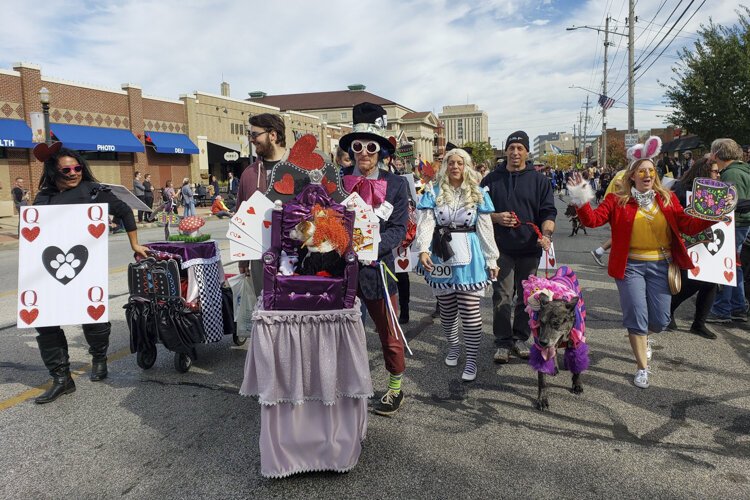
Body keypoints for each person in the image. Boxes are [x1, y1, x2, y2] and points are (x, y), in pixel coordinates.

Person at [568, 136, 712, 389]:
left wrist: (711, 216)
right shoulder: (617, 200)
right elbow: (592, 221)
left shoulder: (667, 198)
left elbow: (687, 225)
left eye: (651, 171)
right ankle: (642, 367)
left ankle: (644, 337)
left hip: (662, 265)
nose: (647, 174)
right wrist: (581, 197)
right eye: (642, 171)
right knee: (636, 316)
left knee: (660, 321)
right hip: (630, 266)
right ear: (632, 176)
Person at [32, 147, 149, 404]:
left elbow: (125, 211)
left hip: (84, 265)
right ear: (54, 171)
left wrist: (134, 244)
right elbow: (34, 230)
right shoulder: (44, 198)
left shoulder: (93, 191)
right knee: (44, 319)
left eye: (77, 168)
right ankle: (62, 379)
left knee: (91, 316)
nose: (74, 173)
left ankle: (99, 357)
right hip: (50, 267)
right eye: (66, 169)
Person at [340, 102, 409, 416]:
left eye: (371, 146)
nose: (364, 152)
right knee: (343, 332)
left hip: (379, 270)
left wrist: (373, 248)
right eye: (358, 146)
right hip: (341, 272)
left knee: (389, 332)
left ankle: (395, 388)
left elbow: (398, 228)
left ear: (380, 150)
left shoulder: (396, 184)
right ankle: (349, 386)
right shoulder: (338, 181)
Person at [415, 148, 499, 381]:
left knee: (470, 312)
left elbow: (485, 228)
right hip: (441, 254)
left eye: (460, 163)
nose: (455, 167)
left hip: (469, 255)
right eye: (451, 162)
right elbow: (426, 223)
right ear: (445, 166)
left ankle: (471, 359)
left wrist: (492, 258)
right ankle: (453, 347)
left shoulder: (478, 193)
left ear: (466, 167)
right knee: (448, 310)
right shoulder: (433, 191)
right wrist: (423, 249)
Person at [481, 130, 556, 364]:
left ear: (526, 151)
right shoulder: (491, 180)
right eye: (511, 148)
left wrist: (546, 235)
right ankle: (503, 342)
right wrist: (496, 218)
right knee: (502, 295)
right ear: (505, 151)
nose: (515, 152)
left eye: (519, 148)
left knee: (527, 298)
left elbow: (548, 212)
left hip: (530, 249)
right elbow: (479, 212)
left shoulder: (539, 181)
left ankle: (520, 338)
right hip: (500, 248)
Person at [237, 113, 290, 296]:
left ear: (273, 135)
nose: (252, 140)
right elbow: (240, 215)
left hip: (295, 256)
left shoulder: (298, 168)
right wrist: (243, 259)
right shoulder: (249, 174)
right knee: (264, 309)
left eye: (255, 135)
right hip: (260, 259)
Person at [668, 156, 720, 339]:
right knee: (691, 281)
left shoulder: (719, 191)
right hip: (689, 242)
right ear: (704, 172)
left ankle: (699, 324)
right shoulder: (682, 190)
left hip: (713, 242)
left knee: (712, 280)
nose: (718, 174)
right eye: (715, 171)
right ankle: (668, 310)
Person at [706, 138, 750, 323]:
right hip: (742, 224)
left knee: (726, 264)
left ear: (717, 153)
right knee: (736, 266)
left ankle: (723, 309)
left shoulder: (731, 174)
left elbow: (731, 204)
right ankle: (737, 306)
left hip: (735, 225)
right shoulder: (741, 170)